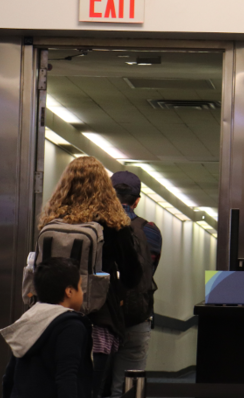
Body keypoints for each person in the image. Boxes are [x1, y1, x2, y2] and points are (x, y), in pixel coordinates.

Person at [39, 156, 142, 398]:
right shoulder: (114, 224)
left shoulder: (51, 221)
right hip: (98, 318)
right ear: (106, 187)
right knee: (90, 388)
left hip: (49, 318)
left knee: (53, 384)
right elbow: (132, 276)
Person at [1, 258, 93, 398]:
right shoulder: (71, 326)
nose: (82, 293)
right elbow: (67, 378)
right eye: (80, 287)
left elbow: (9, 376)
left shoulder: (29, 319)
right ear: (69, 291)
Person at [108, 170, 163, 398]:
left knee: (91, 381)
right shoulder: (149, 231)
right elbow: (146, 272)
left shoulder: (95, 225)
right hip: (136, 317)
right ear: (137, 200)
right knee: (127, 389)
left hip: (100, 318)